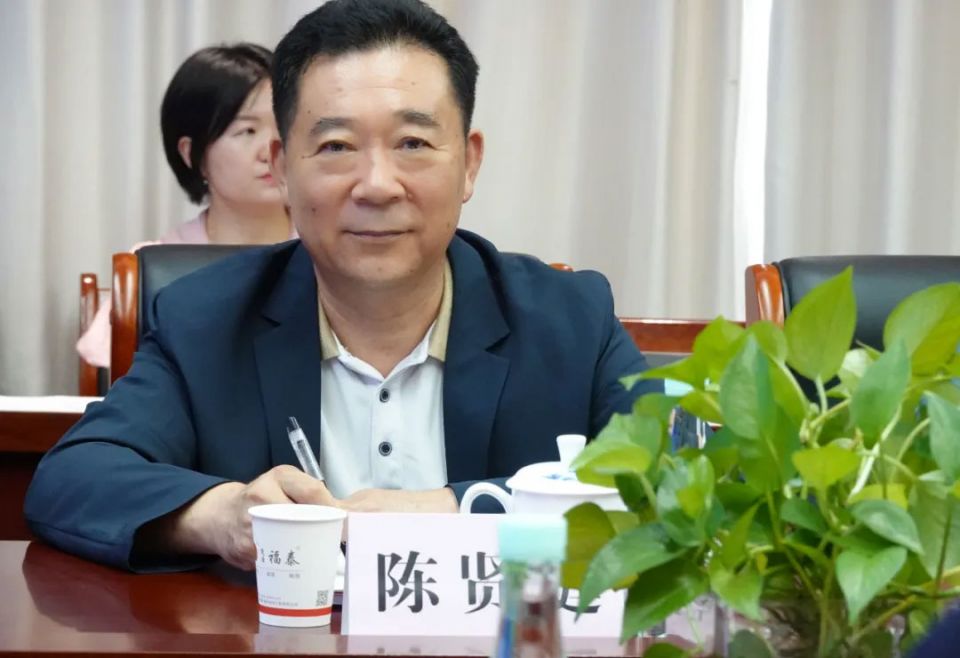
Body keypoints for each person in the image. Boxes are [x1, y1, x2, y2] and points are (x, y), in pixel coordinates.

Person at [26, 0, 661, 573]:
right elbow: (73, 478)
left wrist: (455, 510)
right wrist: (222, 515)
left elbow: (685, 481)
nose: (377, 185)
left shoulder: (569, 321)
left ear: (469, 163)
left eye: (413, 142)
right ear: (281, 168)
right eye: (336, 146)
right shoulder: (205, 321)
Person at [76, 43, 295, 370]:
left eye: (283, 128)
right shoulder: (154, 266)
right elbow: (111, 357)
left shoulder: (329, 249)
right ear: (191, 154)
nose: (271, 150)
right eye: (247, 131)